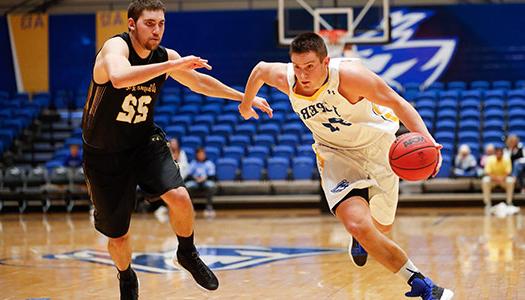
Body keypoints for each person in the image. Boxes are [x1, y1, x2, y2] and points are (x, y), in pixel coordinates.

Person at [238, 32, 453, 300]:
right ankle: (423, 284)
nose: (302, 74)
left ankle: (364, 239)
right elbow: (259, 70)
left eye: (309, 67)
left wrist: (429, 143)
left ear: (325, 61)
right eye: (297, 66)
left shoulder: (352, 76)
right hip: (335, 153)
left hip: (380, 149)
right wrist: (246, 104)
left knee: (381, 228)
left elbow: (398, 103)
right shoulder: (287, 78)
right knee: (357, 225)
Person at [81, 1, 272, 299]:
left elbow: (198, 83)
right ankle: (126, 275)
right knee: (118, 237)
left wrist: (244, 97)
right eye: (149, 24)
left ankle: (187, 252)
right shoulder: (114, 49)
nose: (157, 30)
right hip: (104, 153)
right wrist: (173, 65)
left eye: (161, 24)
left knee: (181, 197)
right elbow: (120, 77)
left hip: (143, 141)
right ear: (132, 24)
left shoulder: (164, 56)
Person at [186, 147, 217, 218]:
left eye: (202, 154)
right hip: (195, 182)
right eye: (199, 154)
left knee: (211, 186)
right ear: (196, 155)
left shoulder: (209, 163)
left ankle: (209, 207)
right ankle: (191, 207)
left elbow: (212, 176)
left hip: (206, 181)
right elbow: (189, 175)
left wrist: (205, 178)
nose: (201, 156)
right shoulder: (193, 163)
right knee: (187, 186)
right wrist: (195, 178)